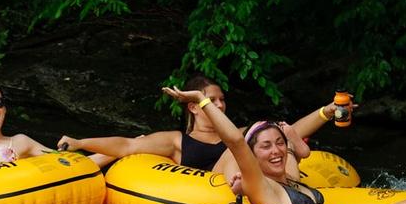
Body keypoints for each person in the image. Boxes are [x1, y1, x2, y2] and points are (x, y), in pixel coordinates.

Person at [57, 76, 345, 177]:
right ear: (194, 106)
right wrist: (82, 143)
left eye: (222, 100)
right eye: (212, 101)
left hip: (252, 184)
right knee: (241, 142)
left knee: (264, 135)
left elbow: (288, 131)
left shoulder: (242, 134)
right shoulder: (177, 141)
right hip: (208, 189)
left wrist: (328, 111)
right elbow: (128, 146)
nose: (220, 106)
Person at [160, 86, 332, 204]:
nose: (276, 151)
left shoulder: (291, 176)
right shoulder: (262, 187)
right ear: (253, 157)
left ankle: (289, 143)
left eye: (280, 143)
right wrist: (200, 98)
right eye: (266, 146)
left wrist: (327, 111)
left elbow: (293, 143)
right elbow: (236, 142)